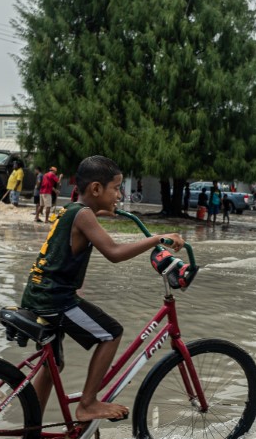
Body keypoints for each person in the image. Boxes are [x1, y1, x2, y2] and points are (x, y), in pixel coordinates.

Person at [20, 155, 185, 422]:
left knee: (54, 366)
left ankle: (31, 432)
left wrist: (99, 210)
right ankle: (88, 404)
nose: (119, 194)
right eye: (116, 188)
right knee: (111, 333)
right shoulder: (84, 215)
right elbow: (115, 252)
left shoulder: (73, 210)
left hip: (38, 294)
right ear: (96, 189)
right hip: (56, 299)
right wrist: (159, 238)